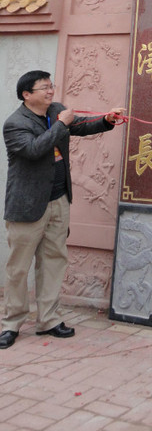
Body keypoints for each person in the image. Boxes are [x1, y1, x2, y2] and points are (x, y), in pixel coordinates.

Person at [0, 70, 122, 349]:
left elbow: (80, 125)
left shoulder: (56, 111)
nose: (50, 91)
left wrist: (106, 119)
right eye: (43, 88)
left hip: (58, 199)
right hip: (27, 205)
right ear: (26, 94)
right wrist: (60, 125)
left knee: (54, 261)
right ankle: (11, 324)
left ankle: (49, 320)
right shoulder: (14, 123)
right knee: (18, 267)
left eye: (51, 85)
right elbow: (33, 150)